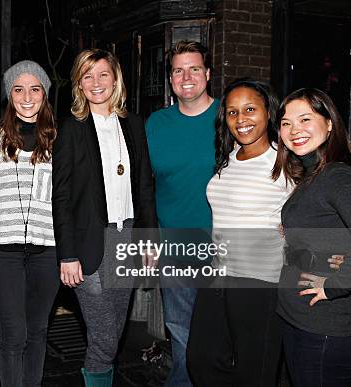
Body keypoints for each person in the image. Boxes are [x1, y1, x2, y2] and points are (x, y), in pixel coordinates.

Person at [52, 48, 156, 386]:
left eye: (103, 74)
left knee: (115, 328)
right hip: (88, 244)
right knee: (104, 334)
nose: (96, 83)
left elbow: (144, 187)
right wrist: (67, 254)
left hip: (127, 239)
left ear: (116, 78)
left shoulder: (134, 124)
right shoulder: (71, 128)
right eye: (87, 76)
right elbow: (62, 196)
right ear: (79, 84)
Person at [186, 78, 290, 386]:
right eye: (232, 112)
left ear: (268, 112)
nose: (240, 119)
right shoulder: (229, 159)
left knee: (254, 371)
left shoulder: (285, 162)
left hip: (261, 282)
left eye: (249, 109)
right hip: (218, 275)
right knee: (201, 360)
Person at [0, 60, 59, 387]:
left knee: (38, 331)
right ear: (9, 95)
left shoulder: (59, 138)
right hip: (1, 249)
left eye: (35, 89)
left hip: (48, 249)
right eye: (18, 89)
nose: (27, 97)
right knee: (14, 335)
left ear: (45, 94)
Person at [144, 40, 218, 387]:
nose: (186, 76)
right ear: (170, 78)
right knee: (181, 333)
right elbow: (142, 187)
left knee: (222, 334)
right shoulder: (155, 125)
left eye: (194, 68)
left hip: (224, 245)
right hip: (175, 246)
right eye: (178, 70)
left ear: (207, 74)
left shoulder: (229, 118)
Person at [272, 88, 351, 387]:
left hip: (324, 327)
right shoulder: (313, 177)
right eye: (286, 123)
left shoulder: (338, 177)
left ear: (329, 122)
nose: (294, 130)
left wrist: (334, 286)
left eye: (305, 119)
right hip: (298, 319)